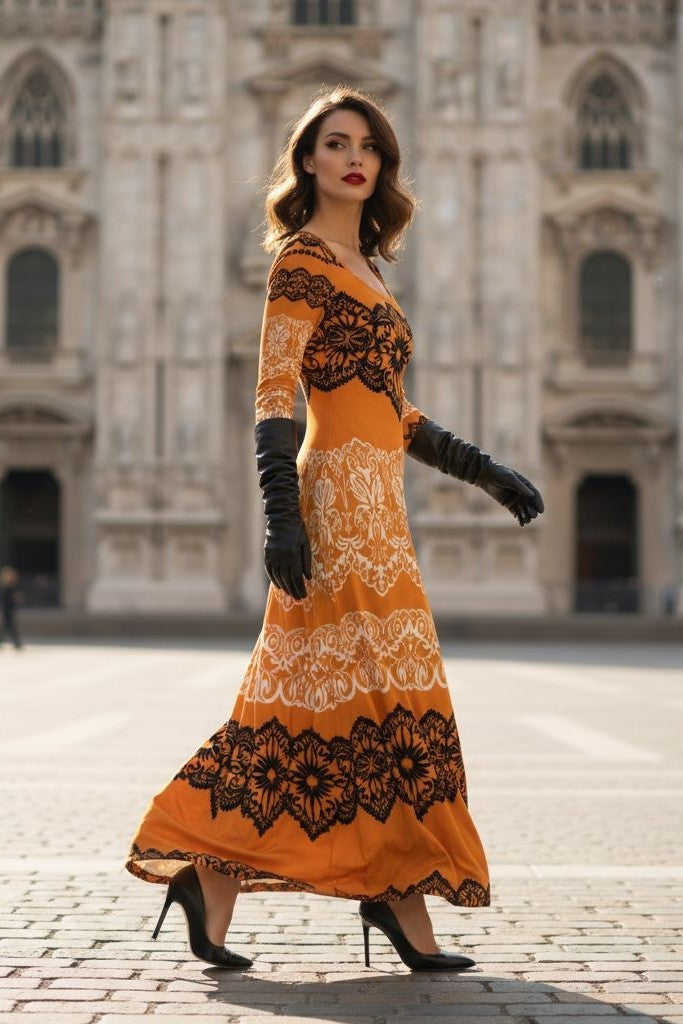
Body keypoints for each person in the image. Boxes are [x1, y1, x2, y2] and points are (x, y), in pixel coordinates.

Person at [125, 86, 544, 972]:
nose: (356, 158)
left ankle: (222, 885)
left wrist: (482, 469)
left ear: (382, 166)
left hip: (379, 505)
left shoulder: (370, 273)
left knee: (311, 707)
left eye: (370, 147)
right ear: (306, 162)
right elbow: (276, 393)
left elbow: (393, 410)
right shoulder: (302, 264)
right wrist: (282, 513)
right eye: (335, 144)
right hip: (331, 507)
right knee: (394, 698)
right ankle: (393, 902)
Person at [0, 566, 23, 650]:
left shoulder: (12, 586)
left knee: (7, 627)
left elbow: (17, 597)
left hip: (10, 609)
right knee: (10, 627)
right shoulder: (4, 587)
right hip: (6, 610)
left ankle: (17, 643)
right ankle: (17, 643)